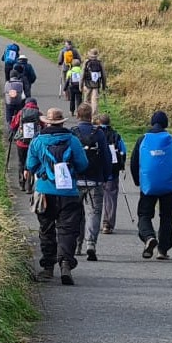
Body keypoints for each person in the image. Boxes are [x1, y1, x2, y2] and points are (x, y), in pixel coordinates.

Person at [25, 107, 87, 284]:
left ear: (46, 122)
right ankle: (66, 263)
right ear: (62, 122)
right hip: (69, 192)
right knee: (67, 230)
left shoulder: (37, 142)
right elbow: (83, 164)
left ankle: (47, 268)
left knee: (46, 230)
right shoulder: (73, 140)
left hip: (45, 192)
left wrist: (43, 172)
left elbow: (30, 165)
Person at [129, 110, 172, 260]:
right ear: (166, 124)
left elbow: (134, 163)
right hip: (168, 185)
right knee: (167, 217)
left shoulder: (143, 139)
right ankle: (163, 250)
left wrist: (138, 181)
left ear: (151, 122)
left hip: (149, 185)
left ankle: (149, 237)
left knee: (144, 215)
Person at [71, 105, 117, 261]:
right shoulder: (99, 134)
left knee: (76, 213)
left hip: (76, 180)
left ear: (77, 115)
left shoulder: (73, 133)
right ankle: (91, 244)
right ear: (91, 116)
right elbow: (106, 157)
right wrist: (105, 176)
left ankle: (76, 245)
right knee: (94, 213)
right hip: (95, 180)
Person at [93, 113, 127, 234]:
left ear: (98, 122)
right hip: (112, 172)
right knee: (111, 197)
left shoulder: (94, 134)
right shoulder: (116, 135)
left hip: (96, 172)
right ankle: (107, 224)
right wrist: (121, 166)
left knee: (95, 198)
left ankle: (94, 223)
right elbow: (123, 151)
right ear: (109, 122)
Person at [10, 99, 42, 193]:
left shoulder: (21, 112)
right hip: (34, 143)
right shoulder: (39, 113)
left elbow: (13, 125)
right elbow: (43, 126)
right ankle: (29, 186)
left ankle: (21, 184)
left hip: (21, 143)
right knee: (32, 162)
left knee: (21, 162)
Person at [81, 49, 107, 113]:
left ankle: (86, 115)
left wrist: (80, 85)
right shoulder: (100, 62)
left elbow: (82, 75)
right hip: (96, 85)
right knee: (95, 101)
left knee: (86, 101)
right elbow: (104, 76)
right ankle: (94, 116)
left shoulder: (86, 62)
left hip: (87, 84)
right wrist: (103, 85)